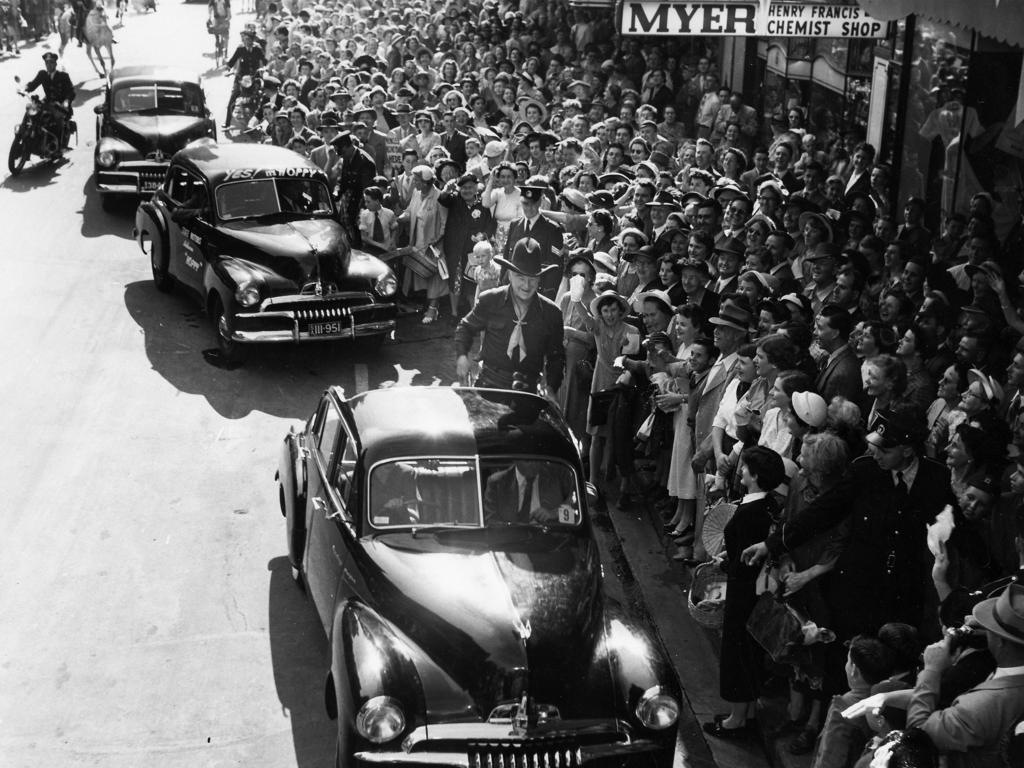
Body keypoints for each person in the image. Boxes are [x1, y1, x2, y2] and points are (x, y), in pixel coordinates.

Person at [704, 446, 787, 738]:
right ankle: (747, 714)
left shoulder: (752, 511)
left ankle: (736, 720)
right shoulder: (767, 506)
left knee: (737, 651)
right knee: (749, 652)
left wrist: (725, 564)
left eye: (745, 467)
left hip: (744, 591)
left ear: (754, 475)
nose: (740, 470)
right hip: (758, 590)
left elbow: (744, 559)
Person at [904, 583, 1024, 767]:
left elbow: (917, 737)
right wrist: (991, 630)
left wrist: (931, 670)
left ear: (1000, 642)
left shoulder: (980, 707)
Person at [454, 237, 565, 396]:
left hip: (528, 393)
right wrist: (462, 356)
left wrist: (551, 387)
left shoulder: (552, 313)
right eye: (521, 278)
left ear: (539, 279)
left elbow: (557, 357)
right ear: (510, 275)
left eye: (532, 279)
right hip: (489, 386)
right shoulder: (490, 300)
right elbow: (465, 327)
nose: (526, 286)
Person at [501, 185, 566, 300]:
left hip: (538, 291)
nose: (530, 208)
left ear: (540, 203)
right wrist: (503, 285)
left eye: (534, 204)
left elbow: (555, 267)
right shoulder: (515, 225)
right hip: (513, 290)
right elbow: (507, 259)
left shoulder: (552, 229)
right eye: (526, 204)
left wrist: (547, 295)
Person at [483, 460, 576, 524]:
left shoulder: (557, 477)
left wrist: (555, 513)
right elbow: (490, 522)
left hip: (550, 544)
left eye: (537, 460)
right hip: (509, 544)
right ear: (516, 460)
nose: (534, 464)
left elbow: (577, 509)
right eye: (528, 461)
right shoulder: (497, 482)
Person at [24, 52, 74, 152]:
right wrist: (25, 89)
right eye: (47, 63)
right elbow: (33, 84)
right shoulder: (42, 74)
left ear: (55, 64)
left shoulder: (63, 76)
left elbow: (71, 92)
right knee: (31, 113)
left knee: (57, 119)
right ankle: (27, 137)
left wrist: (66, 101)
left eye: (51, 62)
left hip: (60, 106)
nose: (49, 65)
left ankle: (60, 146)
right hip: (47, 103)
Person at [222, 30, 266, 128]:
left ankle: (262, 122)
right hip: (241, 77)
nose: (247, 41)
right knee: (233, 97)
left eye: (249, 39)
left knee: (262, 96)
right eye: (245, 39)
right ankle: (227, 122)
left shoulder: (257, 48)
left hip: (254, 77)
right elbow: (232, 60)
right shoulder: (240, 48)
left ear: (252, 40)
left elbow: (264, 60)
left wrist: (264, 68)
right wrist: (227, 69)